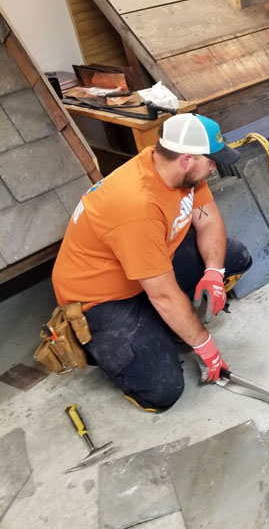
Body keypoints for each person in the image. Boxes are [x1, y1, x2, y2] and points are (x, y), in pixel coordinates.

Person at [51, 113, 252, 412]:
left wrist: (213, 271)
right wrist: (204, 344)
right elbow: (163, 293)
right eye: (210, 160)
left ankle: (161, 319)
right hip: (101, 298)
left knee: (233, 257)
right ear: (186, 159)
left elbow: (208, 220)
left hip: (149, 261)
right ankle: (107, 340)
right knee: (162, 391)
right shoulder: (137, 207)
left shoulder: (171, 166)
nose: (214, 167)